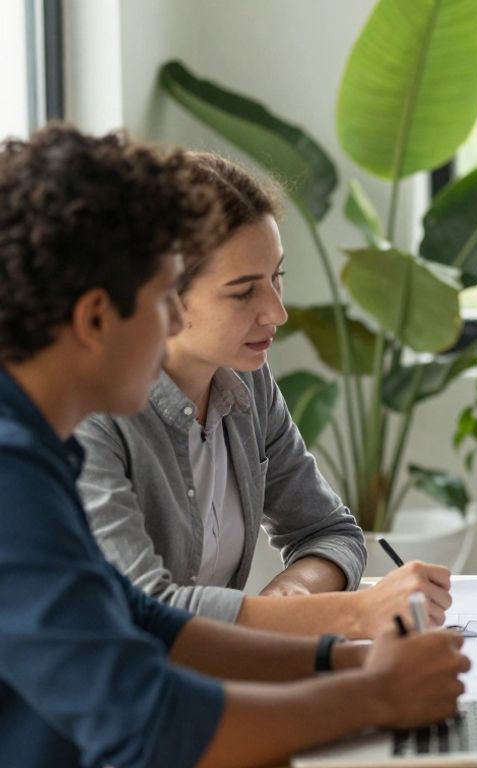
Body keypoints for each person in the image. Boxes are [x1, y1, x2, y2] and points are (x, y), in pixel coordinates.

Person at [0, 124, 468, 768]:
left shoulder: (36, 440)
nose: (171, 325)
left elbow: (148, 622)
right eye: (165, 297)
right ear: (95, 319)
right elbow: (146, 723)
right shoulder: (11, 471)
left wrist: (343, 656)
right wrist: (375, 693)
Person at [74, 152, 450, 637]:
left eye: (277, 278)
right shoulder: (89, 417)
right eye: (243, 292)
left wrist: (287, 601)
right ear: (163, 293)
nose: (276, 311)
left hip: (211, 680)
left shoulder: (246, 382)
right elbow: (146, 611)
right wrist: (352, 614)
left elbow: (329, 532)